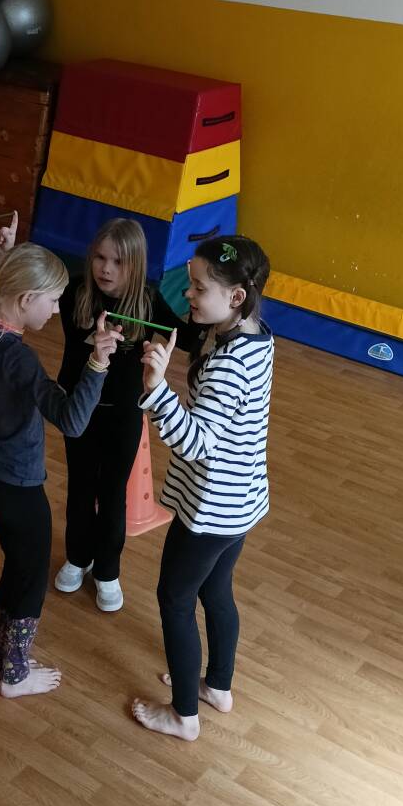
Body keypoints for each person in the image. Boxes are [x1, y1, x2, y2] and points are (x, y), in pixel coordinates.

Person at [0, 216, 122, 698]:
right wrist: (97, 363)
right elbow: (71, 420)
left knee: (16, 567)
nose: (55, 310)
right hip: (19, 487)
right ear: (27, 299)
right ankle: (14, 676)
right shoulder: (19, 358)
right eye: (52, 301)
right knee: (30, 581)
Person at [131, 235, 274, 741]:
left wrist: (156, 389)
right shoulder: (253, 336)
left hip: (211, 510)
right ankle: (217, 686)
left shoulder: (229, 364)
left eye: (198, 287)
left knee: (174, 599)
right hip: (240, 502)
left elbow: (196, 442)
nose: (187, 294)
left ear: (236, 296)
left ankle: (184, 716)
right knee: (216, 591)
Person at [54, 218, 200, 613]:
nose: (106, 269)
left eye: (118, 262)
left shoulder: (148, 302)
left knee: (112, 493)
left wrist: (196, 298)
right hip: (79, 411)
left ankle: (107, 570)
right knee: (81, 487)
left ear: (135, 266)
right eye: (100, 258)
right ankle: (77, 557)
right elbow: (69, 347)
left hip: (122, 415)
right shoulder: (75, 293)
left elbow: (189, 338)